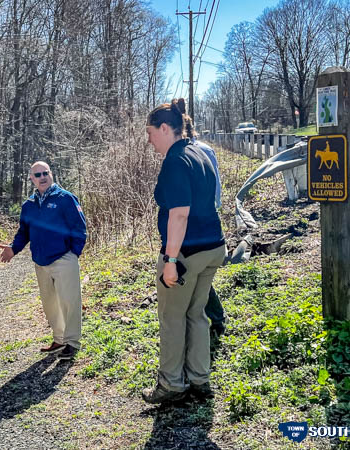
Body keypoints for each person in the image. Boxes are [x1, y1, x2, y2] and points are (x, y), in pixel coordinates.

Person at [142, 99, 226, 404]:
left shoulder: (176, 160)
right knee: (197, 314)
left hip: (187, 253)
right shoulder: (199, 152)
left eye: (150, 132)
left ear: (165, 128)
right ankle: (199, 379)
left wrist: (171, 261)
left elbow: (179, 214)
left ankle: (172, 385)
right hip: (214, 246)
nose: (149, 140)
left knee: (172, 316)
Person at [0, 161, 87, 361]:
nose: (42, 177)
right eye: (37, 175)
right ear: (31, 179)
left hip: (64, 257)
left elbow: (80, 228)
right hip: (41, 262)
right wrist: (13, 249)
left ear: (51, 174)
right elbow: (24, 232)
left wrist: (73, 253)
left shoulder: (66, 199)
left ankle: (72, 343)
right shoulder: (29, 205)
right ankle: (59, 339)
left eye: (45, 173)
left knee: (70, 302)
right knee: (50, 304)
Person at [186, 122, 228, 338]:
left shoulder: (190, 152)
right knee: (199, 274)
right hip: (207, 218)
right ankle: (214, 318)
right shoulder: (204, 150)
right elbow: (217, 189)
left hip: (196, 221)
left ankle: (214, 318)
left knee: (196, 273)